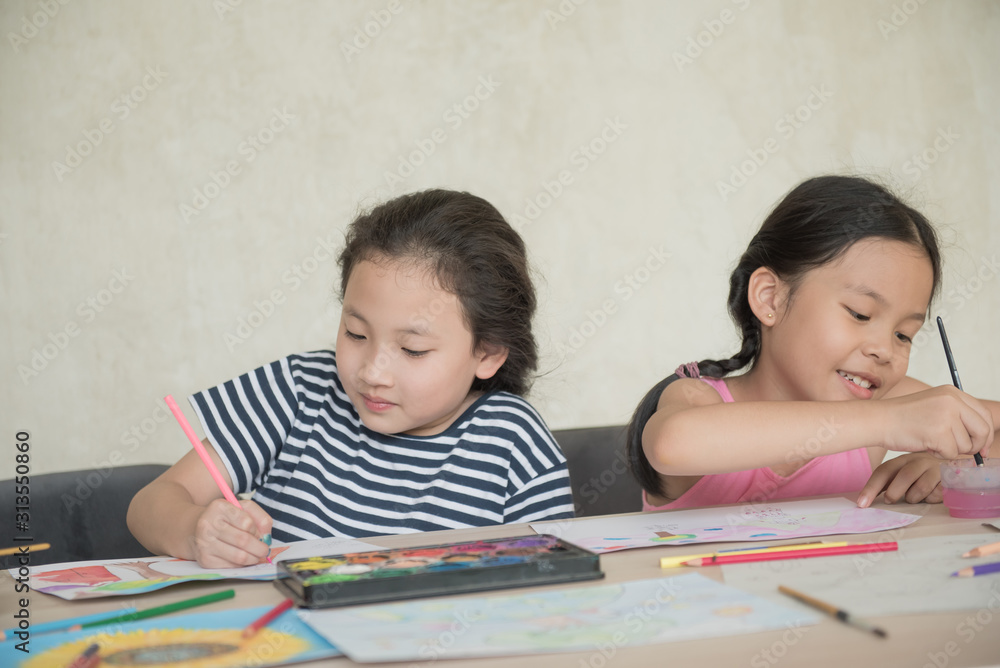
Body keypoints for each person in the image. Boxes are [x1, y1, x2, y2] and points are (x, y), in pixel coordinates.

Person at [128, 189, 575, 567]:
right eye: (356, 333)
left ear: (488, 352)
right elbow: (151, 503)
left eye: (412, 349)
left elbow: (552, 583)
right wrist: (195, 531)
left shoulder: (513, 443)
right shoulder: (299, 391)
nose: (372, 372)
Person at [626, 175, 998, 512]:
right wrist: (889, 421)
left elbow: (984, 426)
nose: (884, 350)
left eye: (904, 334)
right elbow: (671, 445)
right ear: (771, 298)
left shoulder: (883, 400)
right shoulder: (697, 398)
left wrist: (949, 463)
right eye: (860, 314)